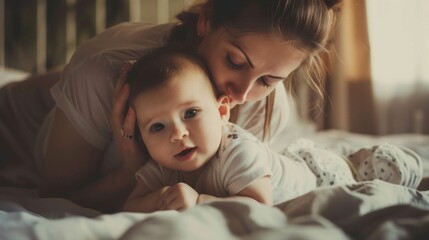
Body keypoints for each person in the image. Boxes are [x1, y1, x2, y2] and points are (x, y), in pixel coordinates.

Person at [0, 0, 344, 212]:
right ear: (206, 19)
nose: (242, 95)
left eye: (268, 81)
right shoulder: (104, 71)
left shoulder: (266, 105)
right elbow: (55, 197)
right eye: (236, 61)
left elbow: (231, 192)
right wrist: (128, 170)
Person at [121, 47, 424, 213]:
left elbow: (260, 205)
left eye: (190, 113)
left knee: (389, 170)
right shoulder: (165, 165)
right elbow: (130, 205)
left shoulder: (236, 151)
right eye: (157, 126)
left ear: (222, 111)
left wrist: (197, 201)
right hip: (288, 162)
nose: (177, 134)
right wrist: (163, 198)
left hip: (323, 176)